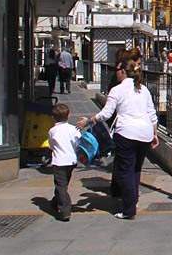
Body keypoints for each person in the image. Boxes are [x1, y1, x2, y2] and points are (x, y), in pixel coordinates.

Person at [78, 59, 159, 220]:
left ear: (123, 72)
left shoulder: (117, 90)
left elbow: (106, 114)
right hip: (145, 132)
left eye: (117, 69)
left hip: (126, 133)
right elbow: (152, 114)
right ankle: (132, 200)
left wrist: (88, 120)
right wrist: (154, 134)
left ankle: (128, 209)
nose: (115, 72)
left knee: (125, 171)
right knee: (136, 169)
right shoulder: (143, 89)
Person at [48, 103, 81, 222]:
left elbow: (51, 145)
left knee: (61, 185)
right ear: (68, 115)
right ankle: (55, 201)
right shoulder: (73, 129)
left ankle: (65, 210)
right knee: (64, 183)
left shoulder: (52, 130)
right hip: (71, 160)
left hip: (59, 161)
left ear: (53, 117)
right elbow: (78, 144)